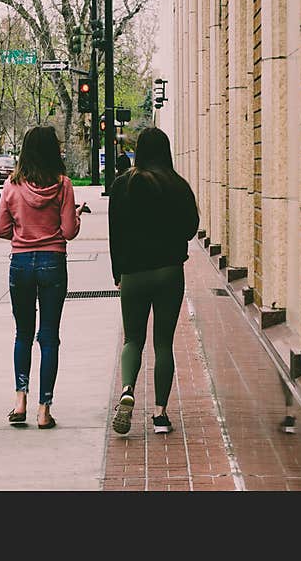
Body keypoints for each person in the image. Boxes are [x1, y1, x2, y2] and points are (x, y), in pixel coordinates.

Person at [108, 127, 199, 436]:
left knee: (133, 339)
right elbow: (191, 229)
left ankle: (127, 389)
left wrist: (117, 271)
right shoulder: (178, 186)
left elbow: (115, 233)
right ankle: (160, 415)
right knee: (163, 343)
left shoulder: (122, 186)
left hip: (133, 272)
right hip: (169, 272)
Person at [0, 126, 84, 429]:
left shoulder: (11, 185)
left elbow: (1, 230)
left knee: (23, 333)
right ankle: (43, 409)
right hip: (52, 262)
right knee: (49, 337)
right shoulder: (63, 185)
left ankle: (19, 400)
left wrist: (23, 232)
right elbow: (69, 231)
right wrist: (76, 218)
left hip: (20, 263)